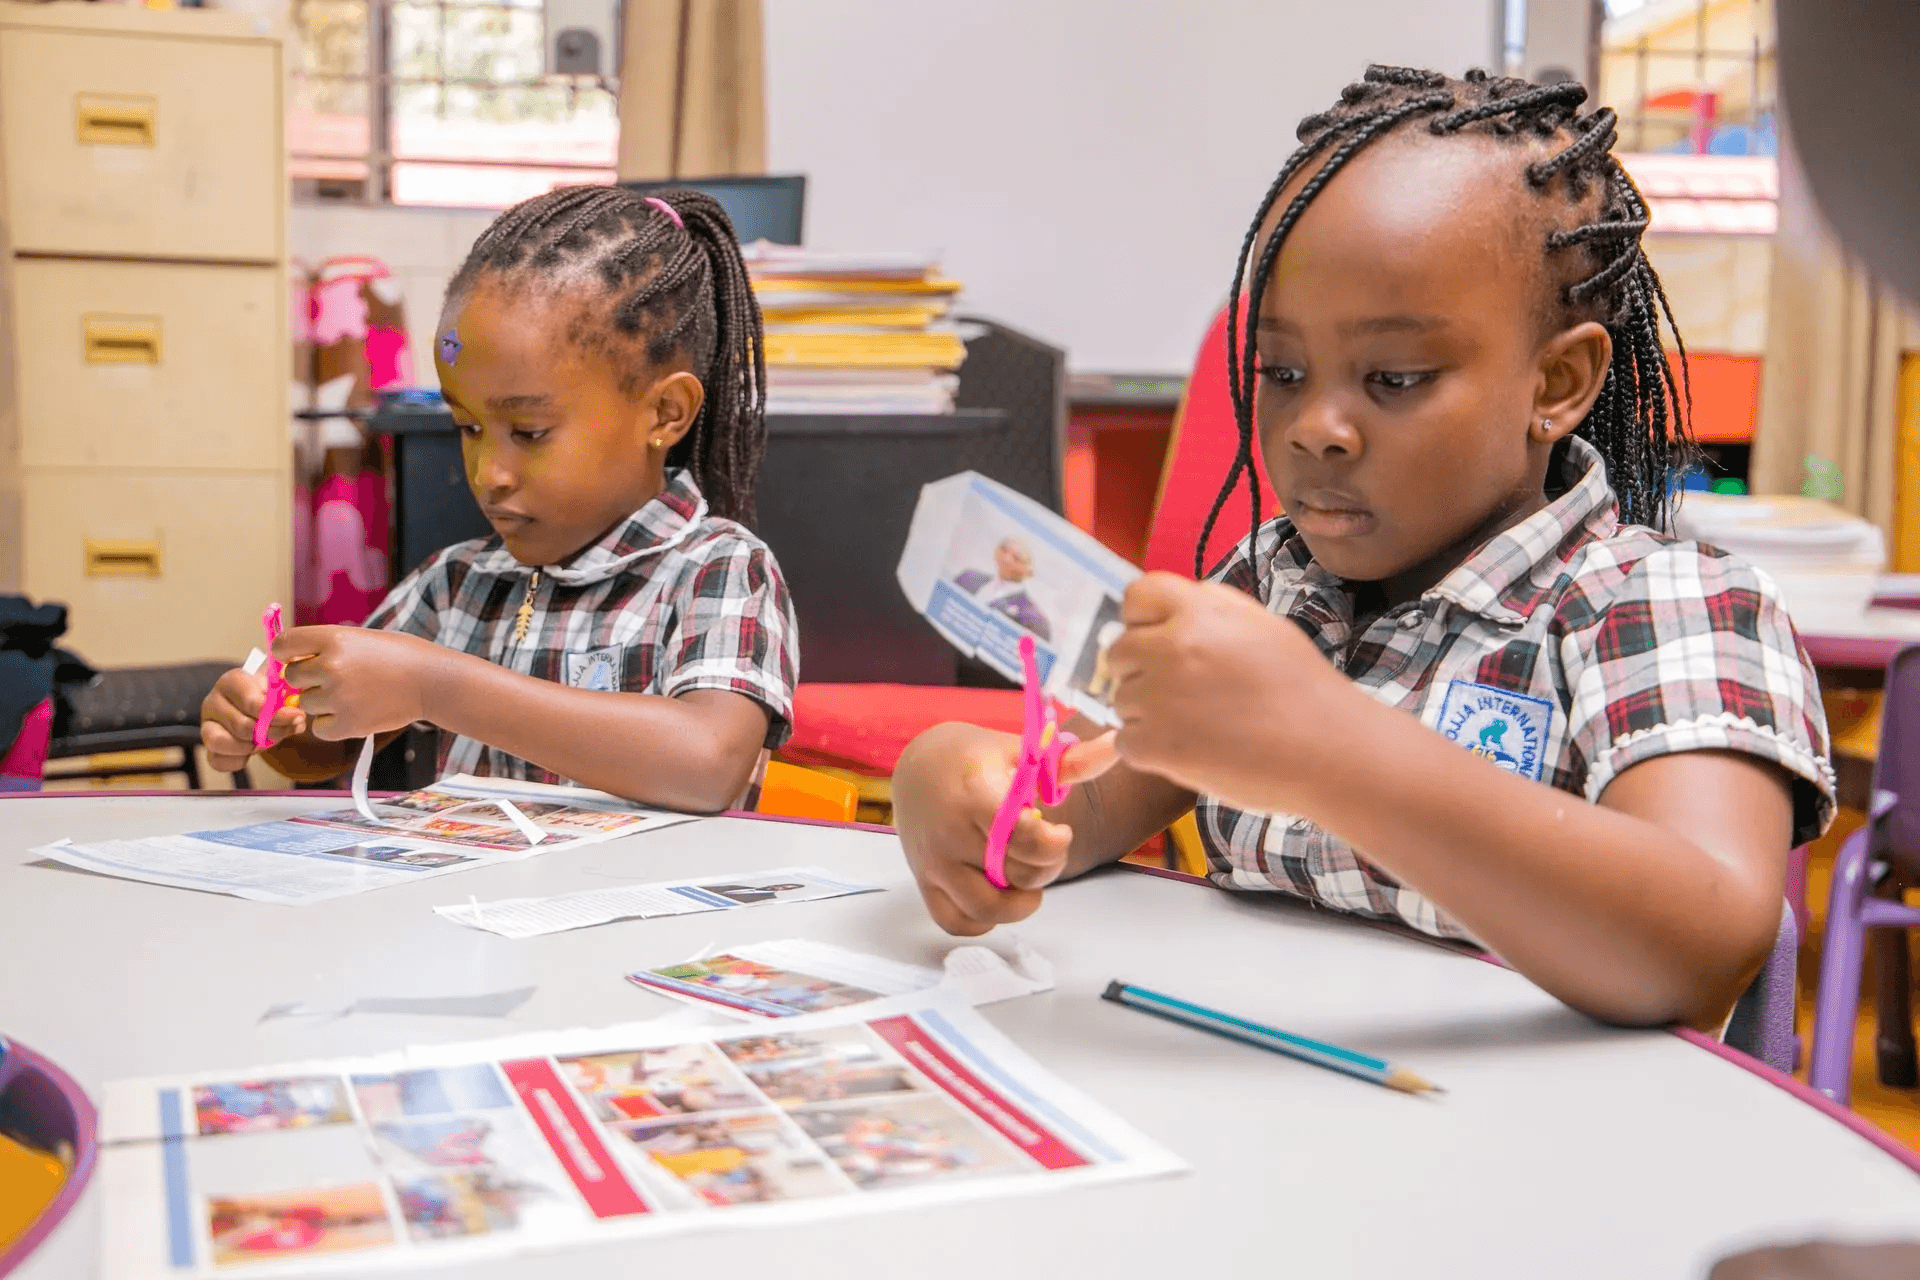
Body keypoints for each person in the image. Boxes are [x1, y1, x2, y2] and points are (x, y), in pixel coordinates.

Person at [893, 66, 1835, 1034]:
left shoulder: (1666, 603)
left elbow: (1699, 946)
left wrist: (1333, 748)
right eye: (1283, 370)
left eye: (1394, 375)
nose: (1316, 428)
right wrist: (956, 781)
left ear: (1556, 381)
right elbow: (1080, 803)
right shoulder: (1270, 588)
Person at [198, 187, 798, 812]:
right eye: (470, 428)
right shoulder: (456, 583)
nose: (490, 474)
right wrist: (271, 722)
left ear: (664, 413)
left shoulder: (719, 571)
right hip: (473, 906)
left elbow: (707, 764)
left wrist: (435, 685)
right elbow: (331, 746)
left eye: (530, 432)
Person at [953, 538, 1052, 639]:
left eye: (1016, 558)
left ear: (1029, 572)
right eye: (1004, 550)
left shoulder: (1034, 619)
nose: (1007, 559)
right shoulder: (968, 578)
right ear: (996, 551)